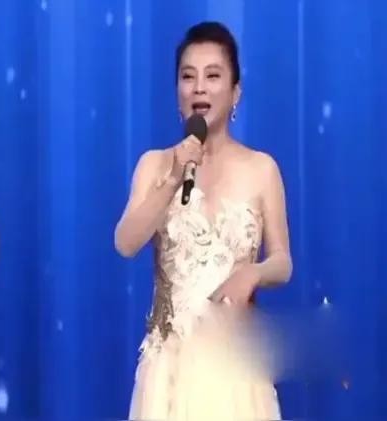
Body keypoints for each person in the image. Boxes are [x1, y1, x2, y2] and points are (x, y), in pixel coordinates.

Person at [114, 21, 292, 420]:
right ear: (177, 90)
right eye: (188, 76)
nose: (199, 88)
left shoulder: (262, 169)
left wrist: (254, 273)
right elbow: (125, 243)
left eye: (212, 76)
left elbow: (283, 261)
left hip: (235, 365)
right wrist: (173, 178)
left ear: (235, 92)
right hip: (169, 373)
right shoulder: (154, 164)